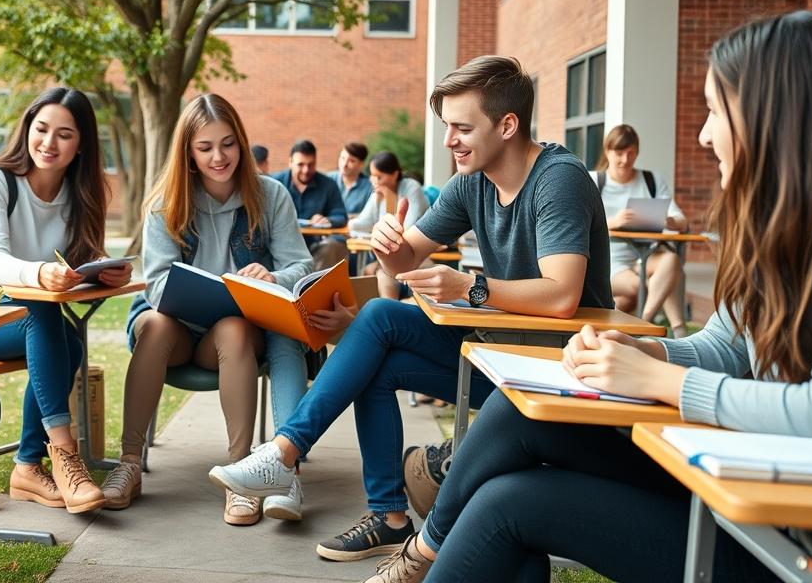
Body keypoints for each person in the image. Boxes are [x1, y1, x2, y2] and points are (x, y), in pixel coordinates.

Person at [369, 10, 812, 583]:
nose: (705, 134)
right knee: (510, 462)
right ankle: (427, 554)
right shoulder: (784, 224)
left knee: (512, 503)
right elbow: (725, 349)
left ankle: (422, 555)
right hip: (748, 484)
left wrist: (662, 381)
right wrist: (641, 355)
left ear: (778, 114)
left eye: (714, 111)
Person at [210, 55, 613, 558]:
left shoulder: (559, 179)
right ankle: (386, 514)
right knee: (377, 341)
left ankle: (283, 454)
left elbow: (561, 294)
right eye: (447, 126)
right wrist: (388, 244)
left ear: (508, 125)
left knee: (379, 330)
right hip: (497, 355)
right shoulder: (471, 183)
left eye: (462, 127)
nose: (448, 141)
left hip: (561, 367)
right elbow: (404, 261)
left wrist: (471, 286)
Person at [102, 94, 314, 526]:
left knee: (234, 326)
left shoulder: (270, 195)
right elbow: (156, 282)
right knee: (155, 324)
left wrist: (273, 278)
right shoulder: (165, 203)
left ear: (241, 143)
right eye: (205, 147)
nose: (219, 157)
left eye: (228, 144)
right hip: (176, 329)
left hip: (231, 335)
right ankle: (128, 463)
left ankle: (242, 472)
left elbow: (301, 264)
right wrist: (192, 291)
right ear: (188, 153)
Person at [0, 87, 128, 514]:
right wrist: (40, 274)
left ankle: (27, 466)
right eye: (41, 129)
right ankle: (64, 452)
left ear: (81, 144)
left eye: (64, 134)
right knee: (43, 312)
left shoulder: (80, 193)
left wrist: (103, 267)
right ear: (27, 129)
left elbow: (75, 258)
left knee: (71, 342)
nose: (49, 143)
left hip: (24, 312)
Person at [591, 124, 690, 330]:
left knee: (671, 261)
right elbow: (575, 224)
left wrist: (668, 221)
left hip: (643, 257)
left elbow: (683, 222)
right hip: (608, 263)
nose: (626, 160)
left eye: (631, 153)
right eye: (619, 153)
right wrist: (612, 223)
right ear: (607, 151)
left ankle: (642, 322)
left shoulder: (651, 180)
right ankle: (675, 329)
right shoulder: (594, 181)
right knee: (646, 287)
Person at [349, 151, 431, 300]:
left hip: (419, 253)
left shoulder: (411, 187)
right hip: (389, 254)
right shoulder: (378, 193)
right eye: (372, 176)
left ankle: (390, 308)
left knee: (381, 273)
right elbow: (361, 224)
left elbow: (407, 226)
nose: (374, 181)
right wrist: (350, 221)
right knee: (367, 270)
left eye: (379, 176)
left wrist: (390, 200)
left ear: (394, 174)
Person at [272, 139, 348, 269]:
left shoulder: (328, 184)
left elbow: (340, 214)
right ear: (290, 162)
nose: (306, 170)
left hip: (315, 246)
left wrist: (327, 220)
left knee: (335, 246)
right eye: (300, 164)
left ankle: (314, 286)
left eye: (311, 164)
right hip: (281, 246)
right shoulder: (274, 184)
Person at [329, 141, 373, 216]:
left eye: (351, 161)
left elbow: (369, 216)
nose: (344, 164)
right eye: (342, 158)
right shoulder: (329, 179)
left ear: (361, 164)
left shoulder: (369, 187)